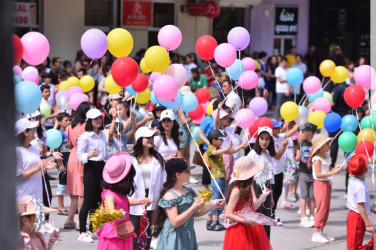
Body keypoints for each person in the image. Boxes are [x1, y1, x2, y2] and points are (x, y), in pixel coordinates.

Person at [152, 158, 225, 250]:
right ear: (177, 174)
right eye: (186, 171)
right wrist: (192, 209)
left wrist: (213, 204)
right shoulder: (170, 195)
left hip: (187, 234)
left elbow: (196, 213)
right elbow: (175, 222)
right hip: (174, 237)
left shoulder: (187, 190)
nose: (189, 173)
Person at [223, 156, 273, 250]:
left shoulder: (247, 187)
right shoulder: (236, 191)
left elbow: (252, 207)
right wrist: (245, 220)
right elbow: (228, 213)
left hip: (250, 226)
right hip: (239, 229)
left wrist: (264, 195)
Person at [129, 126, 166, 250]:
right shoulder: (131, 159)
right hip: (135, 201)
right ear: (140, 139)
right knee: (133, 236)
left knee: (148, 235)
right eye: (148, 137)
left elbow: (163, 181)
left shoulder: (158, 158)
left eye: (152, 137)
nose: (151, 140)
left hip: (153, 201)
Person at [206, 129, 247, 231]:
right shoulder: (211, 149)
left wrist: (241, 146)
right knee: (216, 198)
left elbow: (231, 151)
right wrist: (225, 149)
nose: (222, 141)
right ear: (214, 140)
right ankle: (213, 221)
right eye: (220, 139)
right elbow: (215, 153)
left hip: (221, 177)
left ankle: (212, 220)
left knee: (220, 197)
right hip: (216, 177)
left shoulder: (219, 148)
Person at [77, 108, 108, 242]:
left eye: (99, 118)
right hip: (90, 167)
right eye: (95, 119)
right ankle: (82, 231)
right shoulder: (85, 136)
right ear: (89, 121)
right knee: (88, 200)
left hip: (101, 166)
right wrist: (90, 155)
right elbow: (80, 155)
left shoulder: (102, 134)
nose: (98, 121)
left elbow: (104, 153)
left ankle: (91, 229)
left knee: (97, 200)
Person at [97, 152, 138, 249]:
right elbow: (110, 211)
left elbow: (123, 203)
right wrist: (117, 214)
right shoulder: (109, 195)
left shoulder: (119, 193)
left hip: (123, 232)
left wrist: (141, 201)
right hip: (114, 237)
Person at [64, 102, 92, 230]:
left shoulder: (70, 126)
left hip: (73, 156)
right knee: (81, 191)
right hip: (83, 156)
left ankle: (70, 219)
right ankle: (81, 221)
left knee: (76, 191)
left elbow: (69, 144)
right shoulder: (87, 125)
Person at [309, 134, 342, 243]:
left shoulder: (326, 157)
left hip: (327, 183)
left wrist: (334, 168)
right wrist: (333, 172)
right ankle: (316, 232)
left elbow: (327, 169)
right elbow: (318, 174)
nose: (329, 145)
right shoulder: (317, 159)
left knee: (326, 209)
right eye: (327, 144)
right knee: (321, 208)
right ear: (320, 147)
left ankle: (321, 231)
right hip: (320, 184)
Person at [15, 118, 55, 200]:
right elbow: (17, 177)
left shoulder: (33, 148)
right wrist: (37, 168)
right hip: (23, 198)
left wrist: (45, 167)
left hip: (36, 196)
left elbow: (37, 172)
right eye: (32, 129)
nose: (35, 131)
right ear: (25, 132)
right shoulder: (17, 151)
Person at [247, 126, 275, 239]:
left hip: (267, 190)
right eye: (262, 138)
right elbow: (249, 177)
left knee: (266, 220)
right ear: (258, 139)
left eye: (267, 139)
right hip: (256, 189)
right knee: (257, 220)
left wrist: (271, 196)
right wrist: (253, 196)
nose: (264, 141)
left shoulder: (268, 154)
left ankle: (265, 244)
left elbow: (270, 176)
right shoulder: (252, 154)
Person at [270, 120, 299, 226]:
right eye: (276, 128)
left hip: (279, 170)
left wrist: (297, 123)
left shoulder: (279, 137)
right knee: (272, 194)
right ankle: (270, 215)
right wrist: (283, 146)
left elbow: (288, 133)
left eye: (278, 128)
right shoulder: (270, 140)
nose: (278, 129)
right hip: (272, 172)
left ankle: (272, 213)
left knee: (277, 193)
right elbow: (277, 156)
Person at [346, 154, 376, 249]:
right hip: (357, 217)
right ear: (366, 170)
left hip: (354, 215)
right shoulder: (361, 187)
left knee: (354, 242)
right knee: (354, 245)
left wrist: (371, 208)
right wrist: (368, 224)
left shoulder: (354, 181)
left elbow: (360, 202)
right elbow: (360, 206)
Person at [295, 122, 317, 228]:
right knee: (303, 195)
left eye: (303, 131)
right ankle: (304, 216)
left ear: (310, 132)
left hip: (313, 173)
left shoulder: (316, 144)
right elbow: (297, 157)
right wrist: (297, 157)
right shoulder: (300, 143)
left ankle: (312, 215)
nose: (301, 133)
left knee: (312, 196)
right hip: (303, 172)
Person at [54, 112, 72, 215]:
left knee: (70, 184)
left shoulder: (70, 131)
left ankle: (73, 205)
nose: (69, 122)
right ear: (60, 122)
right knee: (62, 184)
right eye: (66, 120)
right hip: (62, 161)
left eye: (70, 120)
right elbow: (56, 150)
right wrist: (60, 165)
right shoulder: (59, 134)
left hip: (70, 160)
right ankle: (61, 207)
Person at [274, 57, 290, 121]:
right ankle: (276, 119)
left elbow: (290, 82)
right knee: (278, 106)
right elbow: (280, 80)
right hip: (280, 90)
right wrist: (288, 79)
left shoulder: (289, 70)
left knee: (287, 106)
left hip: (287, 90)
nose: (284, 63)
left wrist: (288, 90)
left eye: (285, 62)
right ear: (281, 62)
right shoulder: (278, 69)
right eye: (283, 62)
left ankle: (286, 119)